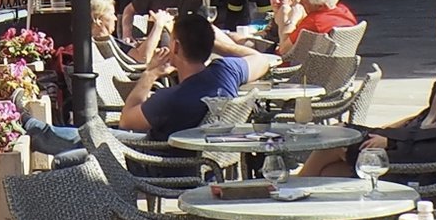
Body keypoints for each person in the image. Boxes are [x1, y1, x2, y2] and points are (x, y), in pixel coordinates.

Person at [298, 0, 436, 220]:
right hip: (416, 148)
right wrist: (389, 129)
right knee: (333, 174)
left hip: (425, 163)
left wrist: (391, 140)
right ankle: (301, 212)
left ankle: (292, 205)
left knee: (337, 141)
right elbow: (430, 117)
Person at [23, 14, 281, 158]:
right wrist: (220, 45)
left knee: (86, 143)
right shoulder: (227, 72)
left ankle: (26, 126)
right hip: (193, 156)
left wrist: (150, 74)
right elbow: (261, 60)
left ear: (175, 47)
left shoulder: (172, 98)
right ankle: (31, 127)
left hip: (155, 161)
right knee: (91, 134)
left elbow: (126, 119)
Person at [279, 0, 357, 57]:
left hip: (306, 64)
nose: (300, 2)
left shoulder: (313, 22)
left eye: (304, 0)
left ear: (319, 5)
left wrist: (291, 20)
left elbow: (283, 50)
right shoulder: (345, 11)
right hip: (339, 61)